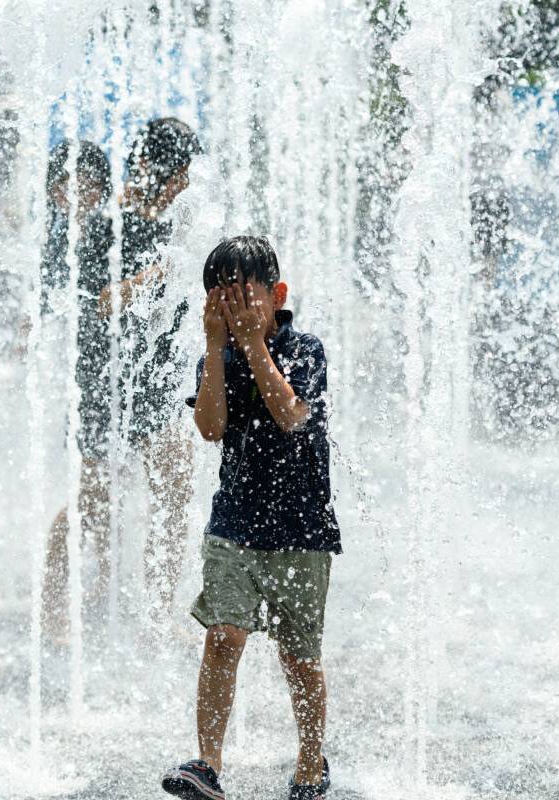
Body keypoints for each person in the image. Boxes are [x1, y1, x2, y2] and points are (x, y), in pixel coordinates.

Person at [162, 237, 342, 800]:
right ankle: (208, 763)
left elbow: (290, 413)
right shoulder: (214, 358)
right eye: (222, 301)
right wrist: (219, 348)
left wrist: (253, 346)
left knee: (298, 655)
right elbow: (212, 428)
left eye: (247, 298)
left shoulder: (306, 350)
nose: (237, 311)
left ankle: (311, 763)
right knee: (222, 637)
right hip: (234, 525)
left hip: (301, 529)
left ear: (277, 295)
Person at [104, 117, 203, 633]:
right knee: (96, 498)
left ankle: (155, 616)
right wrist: (171, 265)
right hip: (118, 378)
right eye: (185, 171)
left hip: (161, 377)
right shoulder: (118, 219)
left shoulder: (178, 218)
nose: (191, 184)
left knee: (173, 495)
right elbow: (106, 298)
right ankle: (72, 603)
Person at [38, 139, 116, 638]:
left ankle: (103, 591)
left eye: (85, 183)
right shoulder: (64, 240)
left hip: (113, 380)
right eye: (64, 183)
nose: (74, 192)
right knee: (90, 494)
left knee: (105, 498)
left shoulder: (100, 232)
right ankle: (52, 602)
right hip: (91, 384)